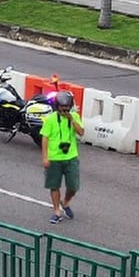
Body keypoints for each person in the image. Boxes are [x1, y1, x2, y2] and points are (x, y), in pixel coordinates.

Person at [41, 91, 84, 224]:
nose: (64, 111)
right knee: (54, 186)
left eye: (66, 108)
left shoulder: (74, 116)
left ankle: (65, 203)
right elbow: (45, 138)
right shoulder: (51, 119)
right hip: (54, 158)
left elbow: (81, 132)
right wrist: (45, 157)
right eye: (62, 108)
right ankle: (57, 211)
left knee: (73, 186)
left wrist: (71, 119)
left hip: (71, 157)